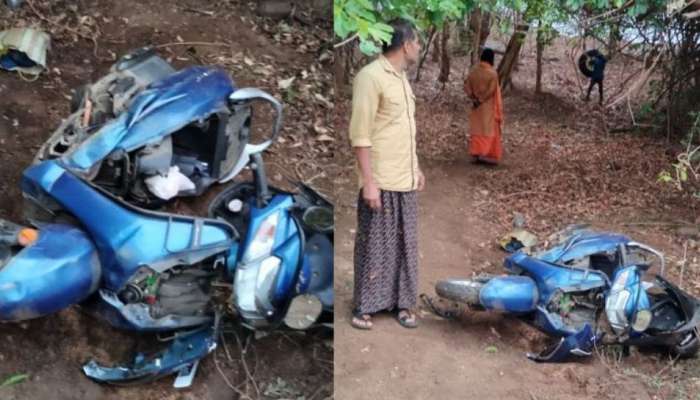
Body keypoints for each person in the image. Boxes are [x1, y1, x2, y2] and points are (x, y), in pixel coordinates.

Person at [348, 18, 425, 330]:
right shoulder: (370, 77)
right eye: (417, 42)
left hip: (404, 178)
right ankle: (364, 307)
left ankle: (402, 304)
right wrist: (369, 183)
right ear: (405, 44)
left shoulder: (402, 79)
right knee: (374, 245)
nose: (419, 47)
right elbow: (361, 134)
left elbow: (403, 130)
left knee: (405, 246)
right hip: (380, 180)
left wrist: (416, 166)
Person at [464, 48, 503, 165]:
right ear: (491, 59)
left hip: (476, 107)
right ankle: (487, 155)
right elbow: (491, 91)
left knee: (477, 130)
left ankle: (476, 154)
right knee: (488, 130)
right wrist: (481, 100)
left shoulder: (473, 71)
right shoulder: (492, 73)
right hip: (488, 108)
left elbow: (466, 86)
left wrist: (473, 98)